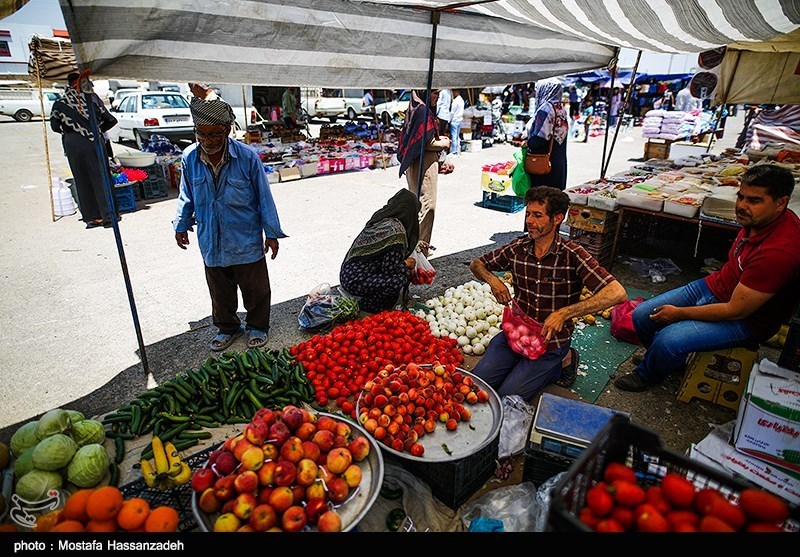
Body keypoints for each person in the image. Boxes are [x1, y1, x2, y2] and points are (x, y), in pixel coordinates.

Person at [615, 164, 800, 392]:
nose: (742, 206)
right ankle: (666, 360)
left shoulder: (779, 253)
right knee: (643, 315)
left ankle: (648, 374)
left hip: (748, 321)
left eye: (754, 201)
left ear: (781, 203)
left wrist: (679, 313)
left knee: (668, 338)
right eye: (740, 197)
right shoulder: (758, 220)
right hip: (718, 286)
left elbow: (736, 310)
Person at [469, 186, 627, 398]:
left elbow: (617, 292)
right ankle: (521, 363)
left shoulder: (572, 255)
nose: (529, 221)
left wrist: (564, 314)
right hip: (516, 333)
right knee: (475, 384)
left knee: (509, 397)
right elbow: (477, 264)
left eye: (537, 215)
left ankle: (563, 360)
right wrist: (493, 280)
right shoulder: (518, 248)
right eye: (528, 214)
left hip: (549, 342)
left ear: (557, 218)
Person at [173, 92, 286, 352]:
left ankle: (257, 326)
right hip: (211, 239)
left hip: (244, 236)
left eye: (214, 134)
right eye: (201, 134)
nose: (207, 141)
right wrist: (181, 224)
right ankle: (228, 327)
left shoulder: (246, 157)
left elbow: (264, 197)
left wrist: (271, 232)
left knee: (255, 288)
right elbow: (186, 194)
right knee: (220, 290)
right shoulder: (190, 158)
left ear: (226, 131)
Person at [50, 72, 119, 229]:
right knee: (101, 178)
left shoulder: (60, 104)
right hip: (94, 142)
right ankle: (109, 215)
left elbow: (55, 126)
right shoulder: (90, 103)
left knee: (82, 180)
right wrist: (96, 129)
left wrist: (71, 130)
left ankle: (93, 217)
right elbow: (111, 119)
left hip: (74, 145)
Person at [339, 189, 421, 313]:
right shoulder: (396, 233)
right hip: (356, 280)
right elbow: (389, 269)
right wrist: (406, 264)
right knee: (398, 279)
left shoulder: (382, 219)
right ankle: (367, 306)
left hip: (348, 274)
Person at [397, 90, 451, 254]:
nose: (438, 97)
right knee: (427, 206)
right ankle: (420, 250)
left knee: (418, 204)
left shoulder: (416, 107)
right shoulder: (422, 110)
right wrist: (444, 143)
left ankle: (415, 246)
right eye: (435, 93)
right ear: (425, 93)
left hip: (417, 162)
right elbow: (426, 143)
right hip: (423, 163)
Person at [526, 78, 569, 192]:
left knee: (542, 199)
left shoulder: (545, 109)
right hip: (558, 162)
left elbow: (540, 139)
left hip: (545, 167)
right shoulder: (561, 108)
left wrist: (527, 141)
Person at [449, 89, 465, 156]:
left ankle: (454, 152)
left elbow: (452, 112)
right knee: (457, 136)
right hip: (459, 119)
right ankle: (458, 150)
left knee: (454, 136)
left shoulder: (456, 101)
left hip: (455, 120)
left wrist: (449, 120)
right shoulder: (461, 100)